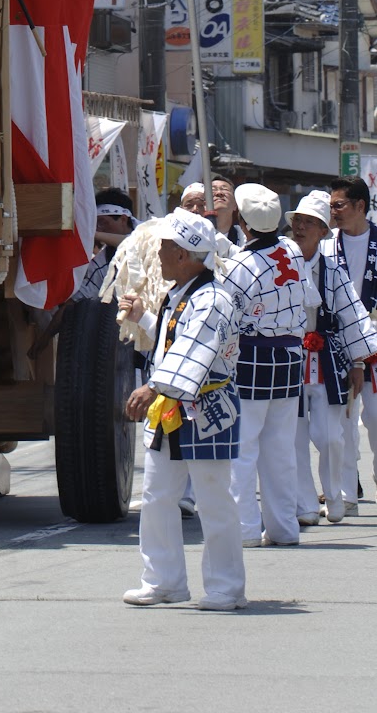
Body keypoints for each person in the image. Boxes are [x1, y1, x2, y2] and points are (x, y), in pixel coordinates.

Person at [120, 209, 246, 610]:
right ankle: (163, 581)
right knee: (158, 495)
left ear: (185, 255)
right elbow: (176, 340)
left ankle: (226, 587)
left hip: (205, 410)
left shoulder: (213, 299)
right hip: (173, 408)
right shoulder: (186, 294)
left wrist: (153, 385)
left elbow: (194, 351)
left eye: (166, 246)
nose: (158, 252)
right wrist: (146, 318)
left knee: (213, 499)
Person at [222, 182, 306, 548]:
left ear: (241, 220)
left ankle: (245, 530)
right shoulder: (291, 249)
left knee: (243, 449)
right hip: (290, 356)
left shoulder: (239, 264)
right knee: (281, 448)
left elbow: (227, 315)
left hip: (251, 357)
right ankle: (284, 528)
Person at [288, 190, 377, 528]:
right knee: (293, 436)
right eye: (297, 220)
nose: (301, 227)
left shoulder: (332, 269)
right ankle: (305, 503)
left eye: (309, 222)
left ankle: (336, 494)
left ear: (323, 230)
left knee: (331, 436)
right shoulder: (280, 260)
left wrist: (357, 361)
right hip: (289, 359)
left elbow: (352, 315)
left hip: (327, 360)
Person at [329, 177, 377, 510]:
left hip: (376, 344)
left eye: (339, 205)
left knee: (375, 419)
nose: (333, 212)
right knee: (342, 423)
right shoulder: (326, 244)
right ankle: (347, 493)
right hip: (339, 345)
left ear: (360, 206)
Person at [74, 187, 137, 300]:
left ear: (123, 219)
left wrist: (93, 234)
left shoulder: (151, 231)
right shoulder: (102, 261)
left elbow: (134, 243)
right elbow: (82, 295)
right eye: (96, 224)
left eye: (103, 223)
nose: (99, 229)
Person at [181, 178, 245, 249]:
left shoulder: (244, 237)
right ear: (204, 203)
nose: (219, 193)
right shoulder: (188, 238)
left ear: (235, 205)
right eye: (213, 190)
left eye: (225, 189)